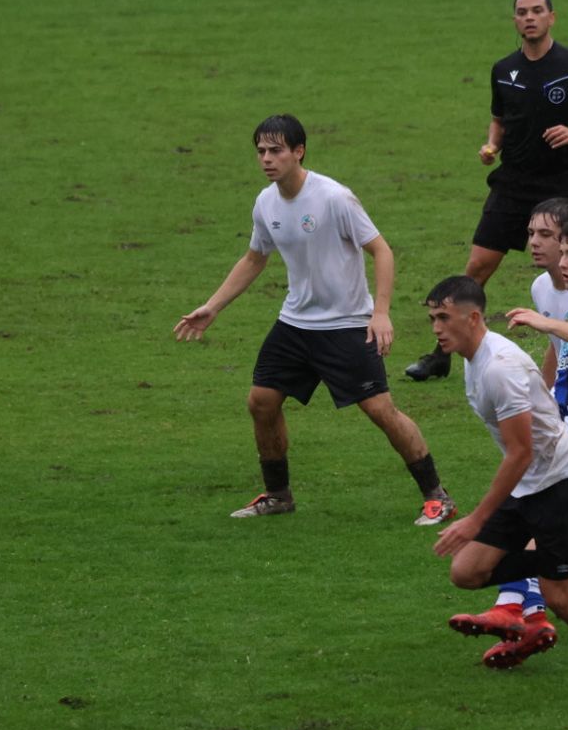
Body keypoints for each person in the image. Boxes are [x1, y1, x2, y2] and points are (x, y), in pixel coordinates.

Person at [176, 114, 455, 524]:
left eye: (275, 150)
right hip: (296, 323)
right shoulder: (265, 202)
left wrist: (379, 314)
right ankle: (278, 495)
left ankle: (437, 495)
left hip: (345, 324)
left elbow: (382, 250)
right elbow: (255, 257)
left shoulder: (334, 198)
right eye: (260, 152)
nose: (266, 159)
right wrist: (213, 306)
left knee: (380, 410)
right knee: (261, 402)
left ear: (298, 151)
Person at [426, 275, 568, 698]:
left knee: (560, 599)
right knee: (466, 572)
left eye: (443, 318)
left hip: (559, 485)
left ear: (472, 318)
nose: (436, 328)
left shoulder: (499, 369)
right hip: (529, 486)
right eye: (433, 318)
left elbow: (521, 453)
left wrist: (475, 520)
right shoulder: (475, 359)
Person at [450, 210, 568, 651]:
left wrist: (548, 324)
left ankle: (524, 607)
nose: (558, 257)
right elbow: (564, 354)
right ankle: (566, 587)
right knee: (549, 511)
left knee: (545, 506)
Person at [405, 0, 568, 382]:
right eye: (522, 12)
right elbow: (500, 119)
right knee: (477, 268)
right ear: (515, 21)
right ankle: (442, 353)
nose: (530, 18)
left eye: (537, 11)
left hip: (563, 188)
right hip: (513, 184)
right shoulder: (503, 69)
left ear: (552, 17)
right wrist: (492, 145)